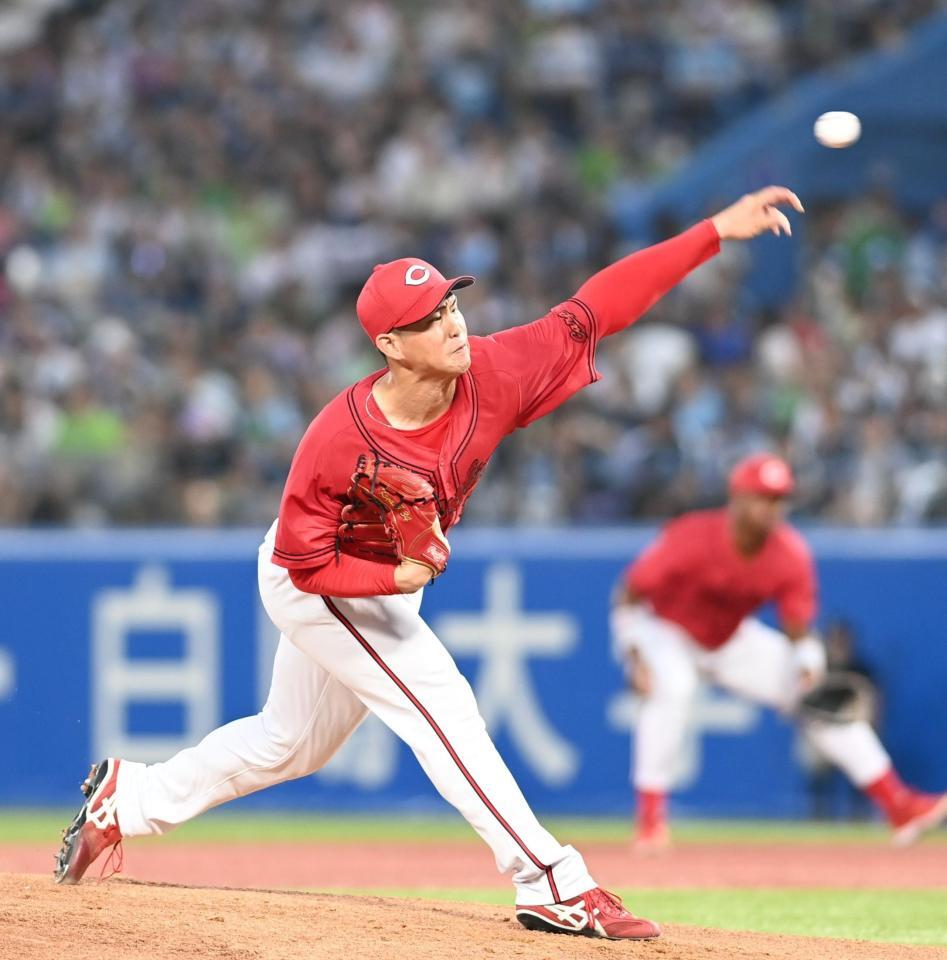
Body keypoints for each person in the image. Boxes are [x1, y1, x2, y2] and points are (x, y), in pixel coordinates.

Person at [55, 187, 803, 941]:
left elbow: (599, 307)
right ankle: (551, 882)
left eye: (451, 305)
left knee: (291, 744)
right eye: (429, 319)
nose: (452, 325)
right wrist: (395, 579)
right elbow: (304, 566)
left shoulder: (495, 372)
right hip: (323, 579)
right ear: (389, 343)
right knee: (441, 703)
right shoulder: (337, 440)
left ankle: (128, 799)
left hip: (381, 583)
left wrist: (712, 231)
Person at [611, 452, 947, 853]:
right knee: (673, 689)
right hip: (665, 629)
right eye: (762, 497)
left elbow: (798, 630)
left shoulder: (788, 552)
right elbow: (627, 594)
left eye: (779, 499)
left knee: (819, 699)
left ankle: (898, 804)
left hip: (728, 638)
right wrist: (633, 654)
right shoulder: (693, 536)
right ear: (737, 498)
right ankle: (650, 822)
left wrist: (808, 665)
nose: (772, 508)